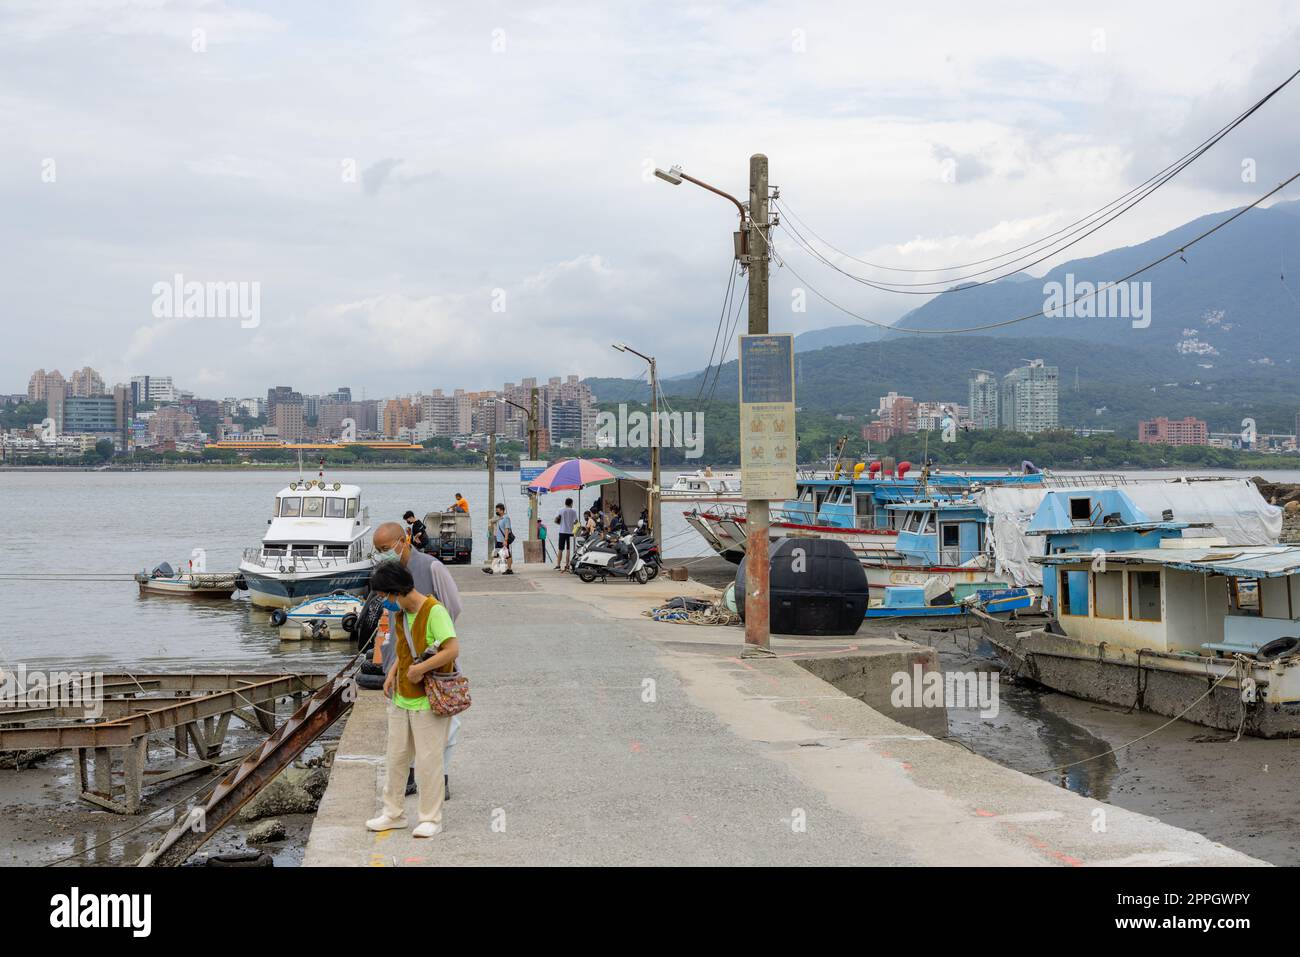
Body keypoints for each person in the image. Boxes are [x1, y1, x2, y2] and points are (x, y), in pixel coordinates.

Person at [365, 561, 459, 839]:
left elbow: (452, 650)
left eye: (384, 597)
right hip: (401, 696)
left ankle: (431, 818)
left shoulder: (434, 611)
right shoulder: (401, 613)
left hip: (428, 700)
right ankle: (393, 813)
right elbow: (403, 647)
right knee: (395, 759)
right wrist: (392, 672)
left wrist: (421, 669)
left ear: (396, 592)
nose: (384, 603)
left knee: (429, 762)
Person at [373, 521, 463, 797]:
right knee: (405, 723)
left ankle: (441, 778)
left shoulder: (431, 567)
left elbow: (453, 606)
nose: (382, 554)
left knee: (443, 720)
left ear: (404, 540)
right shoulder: (388, 574)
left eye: (386, 548)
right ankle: (410, 777)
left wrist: (433, 639)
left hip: (433, 659)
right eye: (378, 550)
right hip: (400, 659)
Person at [488, 502, 514, 575]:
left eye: (498, 510)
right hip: (499, 540)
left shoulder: (506, 518)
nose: (496, 511)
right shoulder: (500, 518)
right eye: (496, 510)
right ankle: (508, 569)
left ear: (502, 510)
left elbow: (506, 529)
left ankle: (493, 569)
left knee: (506, 555)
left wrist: (505, 540)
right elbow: (492, 522)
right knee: (502, 554)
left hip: (503, 540)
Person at [555, 497, 579, 570]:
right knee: (568, 549)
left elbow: (556, 520)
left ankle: (558, 565)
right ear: (571, 503)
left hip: (562, 531)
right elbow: (576, 522)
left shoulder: (560, 510)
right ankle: (567, 565)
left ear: (565, 503)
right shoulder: (573, 511)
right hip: (570, 532)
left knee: (560, 549)